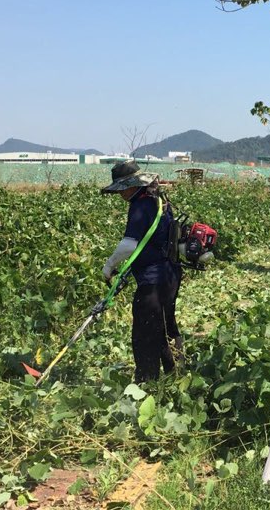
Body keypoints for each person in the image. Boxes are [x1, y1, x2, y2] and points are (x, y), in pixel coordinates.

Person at [100, 160, 181, 383]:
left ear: (133, 185)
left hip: (153, 280)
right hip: (171, 274)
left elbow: (129, 245)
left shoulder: (140, 205)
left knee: (145, 333)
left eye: (122, 189)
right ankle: (174, 374)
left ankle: (147, 382)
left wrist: (108, 268)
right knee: (161, 326)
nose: (120, 194)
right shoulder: (159, 199)